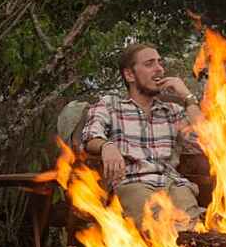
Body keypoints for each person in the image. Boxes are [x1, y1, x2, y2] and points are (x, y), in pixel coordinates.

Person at [81, 42, 210, 232]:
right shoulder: (111, 105)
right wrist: (106, 146)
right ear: (129, 75)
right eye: (149, 64)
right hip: (133, 182)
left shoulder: (172, 111)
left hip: (173, 184)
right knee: (158, 231)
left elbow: (206, 140)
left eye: (159, 62)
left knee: (193, 233)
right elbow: (90, 135)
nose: (159, 69)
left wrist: (188, 97)